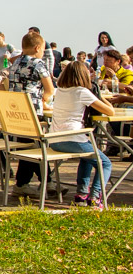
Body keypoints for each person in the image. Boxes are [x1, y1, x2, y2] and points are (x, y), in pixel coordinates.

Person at [51, 61, 117, 209]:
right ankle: (95, 196)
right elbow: (110, 111)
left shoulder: (60, 90)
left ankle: (81, 194)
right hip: (73, 138)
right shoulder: (82, 91)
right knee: (105, 163)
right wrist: (100, 95)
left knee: (87, 157)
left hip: (54, 139)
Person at [9, 31, 56, 197]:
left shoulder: (14, 63)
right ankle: (46, 182)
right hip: (32, 111)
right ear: (37, 48)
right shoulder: (38, 63)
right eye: (43, 49)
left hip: (14, 112)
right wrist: (46, 100)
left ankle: (41, 182)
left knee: (30, 146)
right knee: (36, 147)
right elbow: (49, 89)